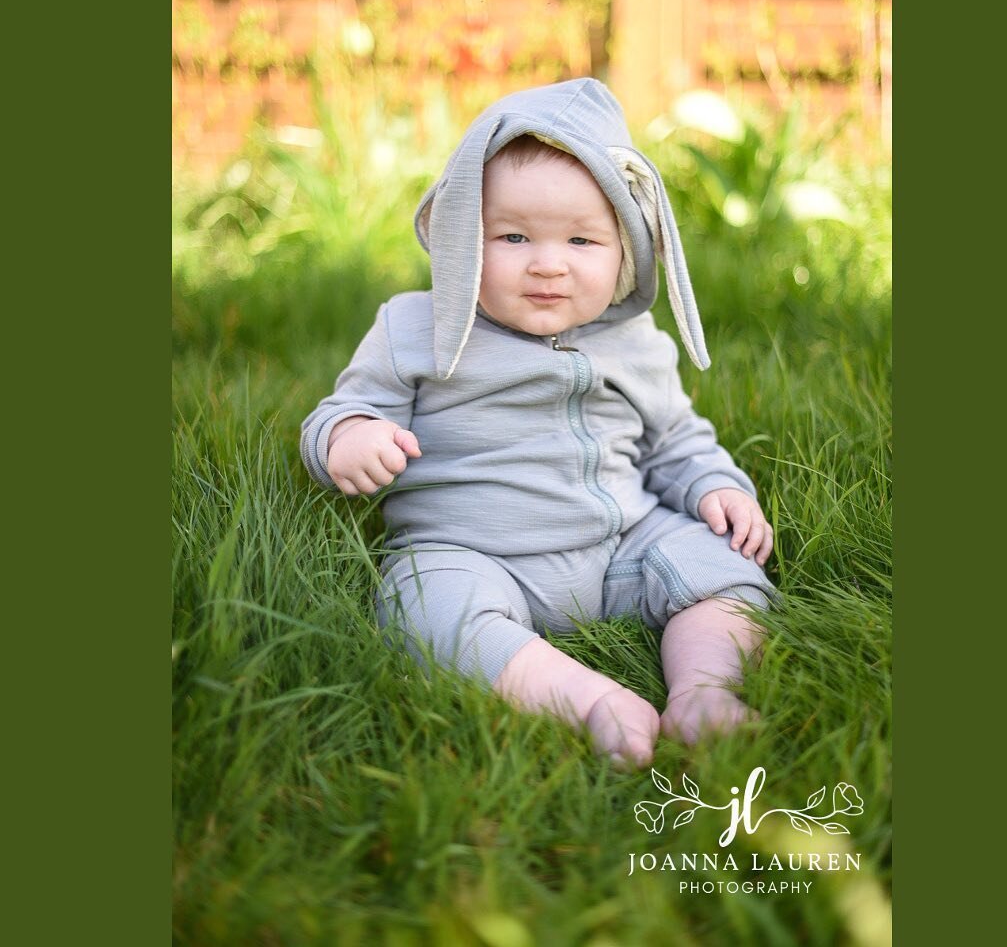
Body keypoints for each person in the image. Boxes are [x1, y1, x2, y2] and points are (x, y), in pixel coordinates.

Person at [301, 78, 777, 767]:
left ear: (627, 251)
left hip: (622, 545)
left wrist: (713, 487)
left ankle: (707, 691)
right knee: (420, 608)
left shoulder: (636, 343)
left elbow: (675, 440)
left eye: (582, 240)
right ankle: (588, 699)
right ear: (464, 234)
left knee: (721, 567)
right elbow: (344, 410)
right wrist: (351, 440)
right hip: (473, 554)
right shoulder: (415, 326)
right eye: (514, 235)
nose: (548, 264)